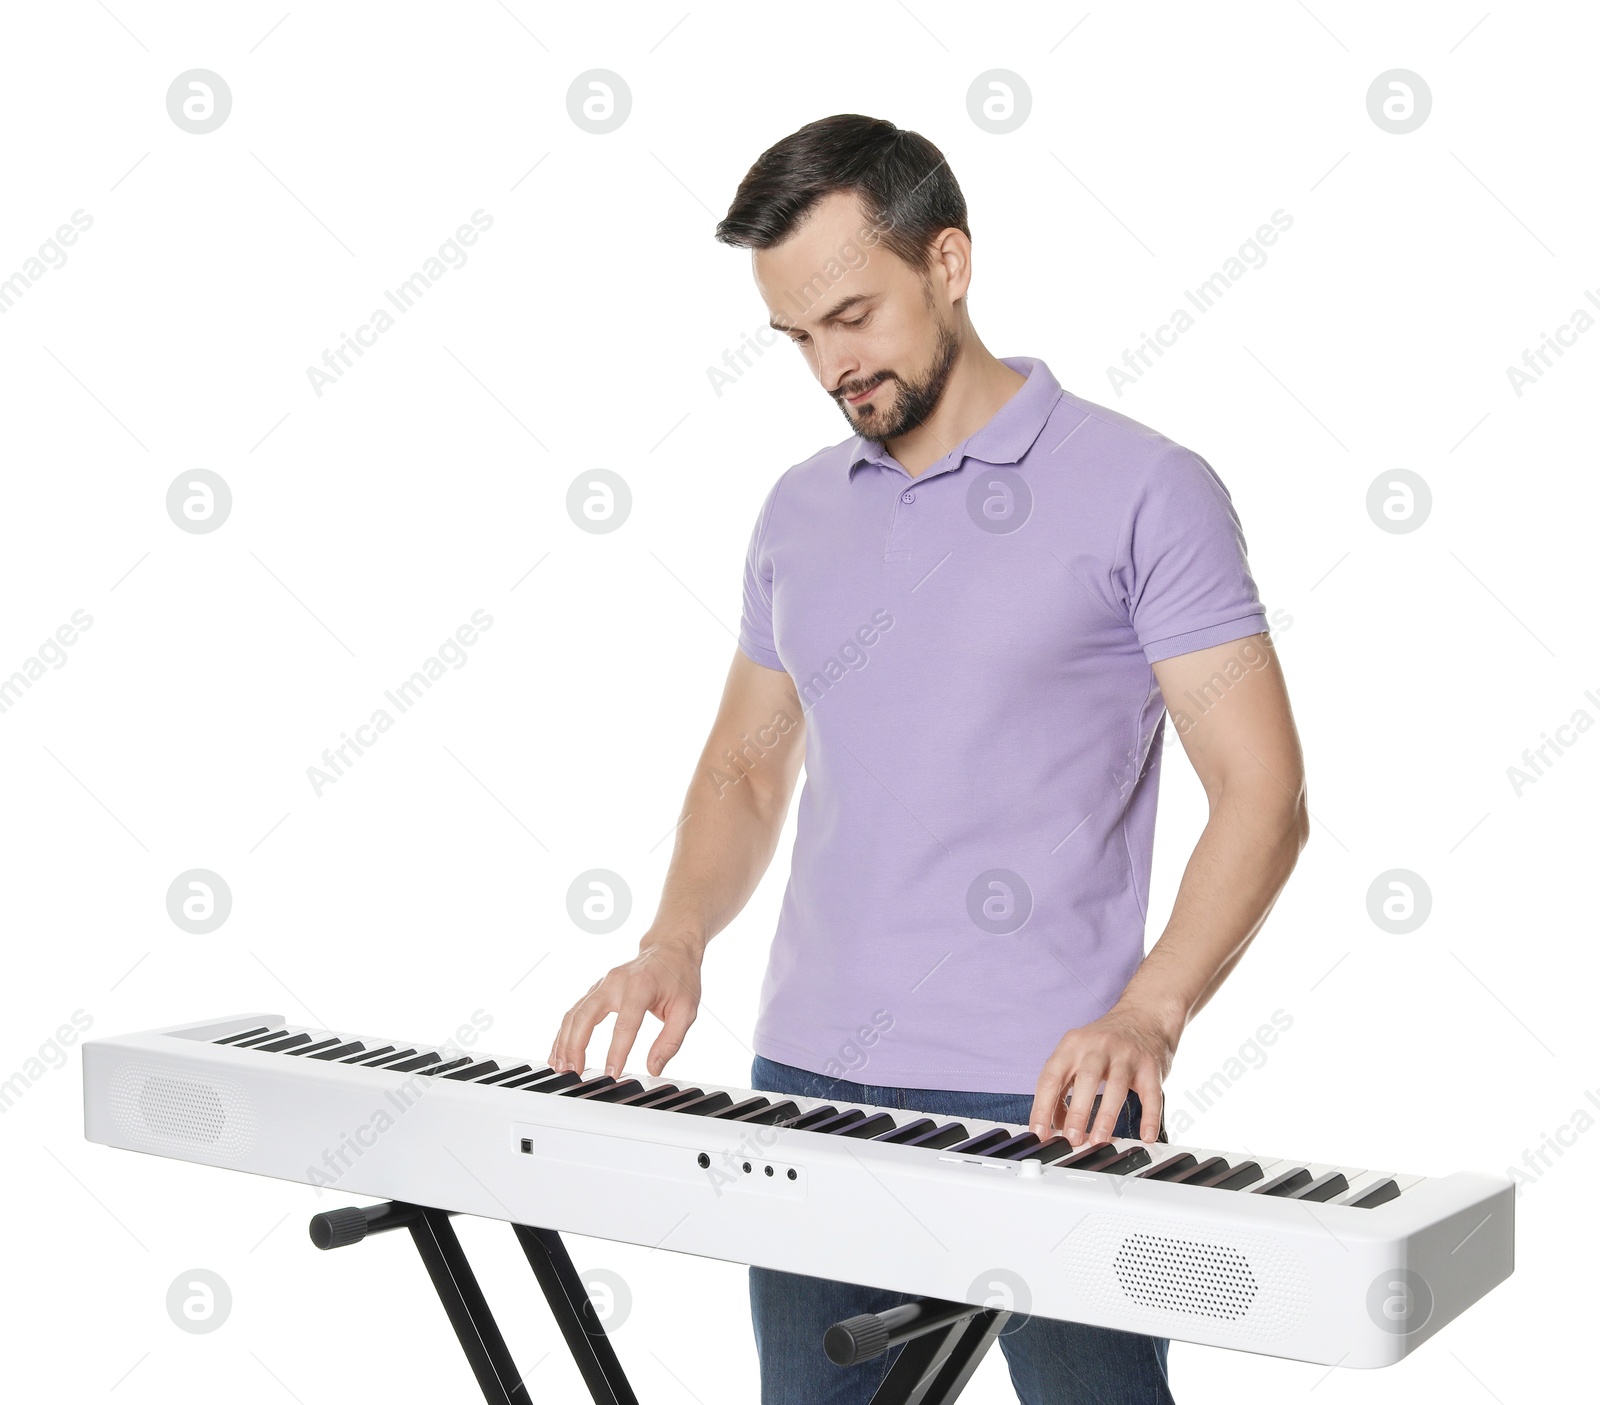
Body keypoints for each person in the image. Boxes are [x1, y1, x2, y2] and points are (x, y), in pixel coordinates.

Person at [547, 114, 1310, 1405]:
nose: (831, 363)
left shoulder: (1145, 489)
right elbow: (745, 765)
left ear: (949, 261)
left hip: (1054, 1095)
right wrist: (677, 936)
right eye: (797, 336)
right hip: (807, 1083)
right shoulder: (799, 509)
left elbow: (1264, 792)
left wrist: (1151, 1009)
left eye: (852, 314)